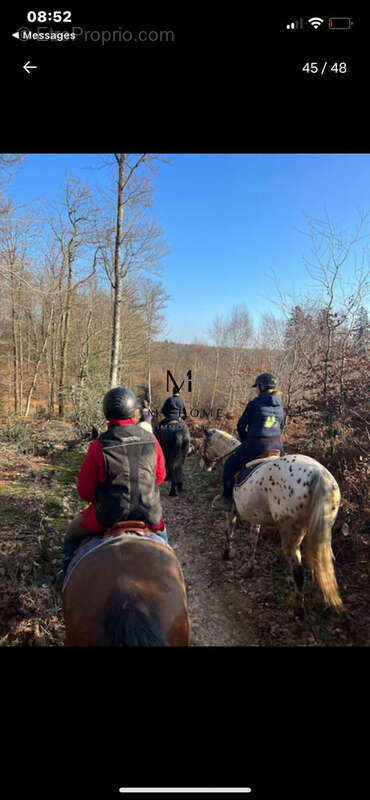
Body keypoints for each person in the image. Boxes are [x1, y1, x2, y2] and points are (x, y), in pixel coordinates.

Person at [58, 386, 167, 585]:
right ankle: (171, 576)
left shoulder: (98, 446)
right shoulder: (151, 440)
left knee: (72, 531)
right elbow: (160, 477)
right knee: (165, 545)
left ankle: (64, 575)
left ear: (106, 413)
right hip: (149, 514)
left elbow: (85, 492)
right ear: (134, 412)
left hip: (107, 517)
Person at [213, 373, 285, 510]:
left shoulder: (255, 403)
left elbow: (241, 426)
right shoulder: (280, 406)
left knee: (229, 465)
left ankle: (226, 499)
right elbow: (280, 427)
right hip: (277, 446)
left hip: (257, 445)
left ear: (262, 386)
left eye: (257, 387)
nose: (256, 390)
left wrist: (245, 440)